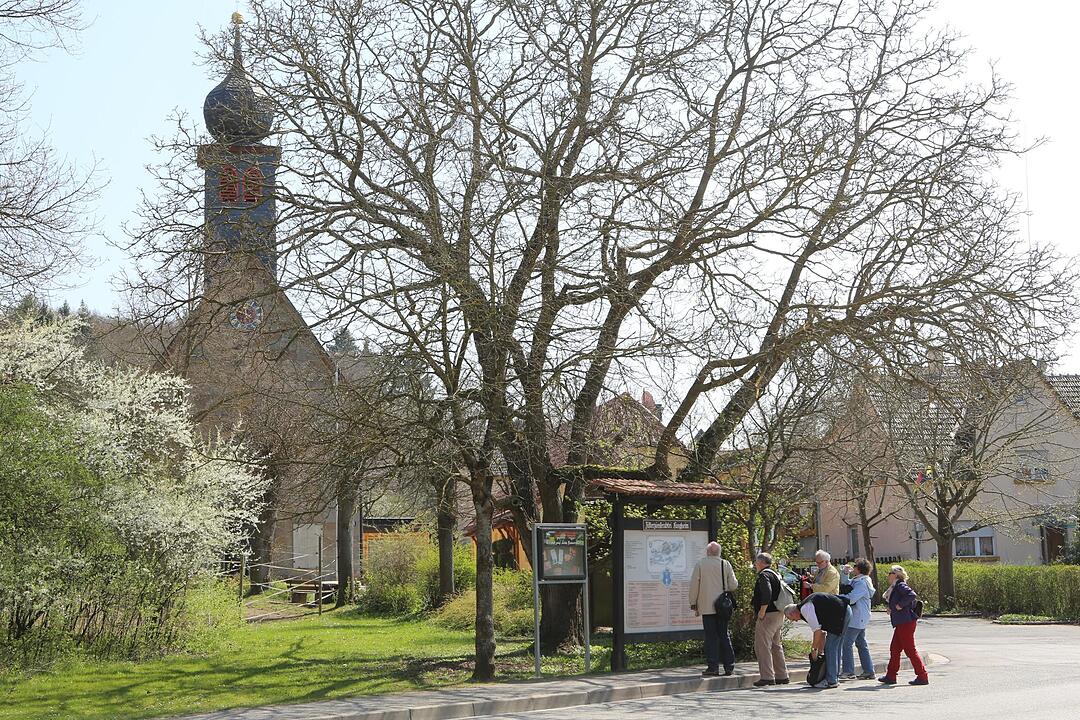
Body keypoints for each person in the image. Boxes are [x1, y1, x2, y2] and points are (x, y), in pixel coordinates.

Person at [689, 541, 739, 676]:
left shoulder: (700, 564)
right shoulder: (725, 564)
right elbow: (733, 585)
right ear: (719, 552)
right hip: (723, 607)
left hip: (706, 607)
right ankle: (729, 667)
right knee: (724, 635)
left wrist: (693, 602)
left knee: (711, 637)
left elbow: (694, 585)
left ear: (708, 552)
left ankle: (713, 667)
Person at [784, 592, 851, 689]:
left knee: (830, 648)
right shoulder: (805, 608)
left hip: (840, 614)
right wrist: (820, 651)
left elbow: (817, 631)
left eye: (791, 618)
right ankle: (834, 678)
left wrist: (814, 650)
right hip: (844, 611)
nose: (795, 621)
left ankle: (831, 680)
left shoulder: (805, 609)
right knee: (835, 647)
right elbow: (822, 633)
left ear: (792, 613)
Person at [879, 564, 929, 686]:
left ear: (895, 575)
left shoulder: (900, 585)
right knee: (895, 648)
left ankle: (922, 676)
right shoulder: (895, 586)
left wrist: (899, 605)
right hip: (902, 622)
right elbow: (900, 600)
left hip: (906, 622)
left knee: (910, 650)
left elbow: (911, 595)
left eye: (890, 573)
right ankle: (891, 676)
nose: (888, 575)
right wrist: (893, 608)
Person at [751, 552, 789, 687]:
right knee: (776, 645)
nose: (755, 565)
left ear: (761, 563)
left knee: (762, 645)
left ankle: (767, 677)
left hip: (768, 615)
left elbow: (767, 593)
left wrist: (762, 611)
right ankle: (782, 675)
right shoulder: (775, 573)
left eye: (756, 562)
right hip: (779, 613)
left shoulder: (764, 575)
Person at [839, 557, 875, 680]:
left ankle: (848, 671)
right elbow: (846, 583)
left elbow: (852, 598)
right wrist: (845, 573)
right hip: (860, 617)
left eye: (855, 566)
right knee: (861, 644)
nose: (853, 568)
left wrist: (837, 597)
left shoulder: (862, 583)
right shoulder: (859, 580)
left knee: (846, 643)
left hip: (857, 617)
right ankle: (868, 671)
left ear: (859, 569)